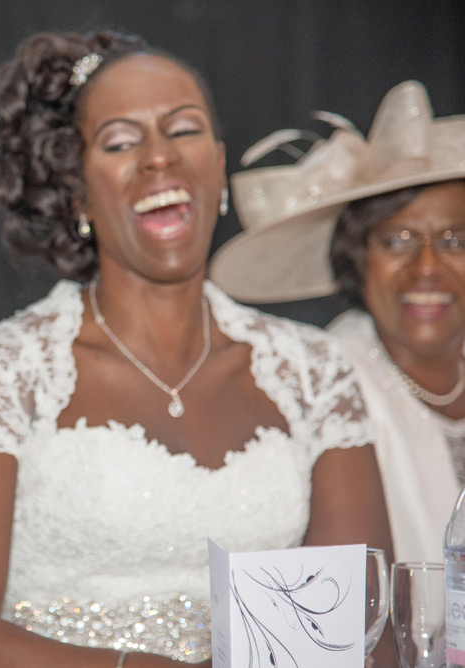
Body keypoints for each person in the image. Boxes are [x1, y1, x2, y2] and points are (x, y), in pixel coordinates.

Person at [0, 30, 393, 668]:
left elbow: (362, 624)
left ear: (220, 165)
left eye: (183, 130)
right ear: (78, 191)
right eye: (121, 142)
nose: (159, 158)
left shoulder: (313, 372)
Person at [211, 80, 465, 564]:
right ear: (356, 259)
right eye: (398, 240)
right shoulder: (322, 383)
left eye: (454, 240)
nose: (428, 266)